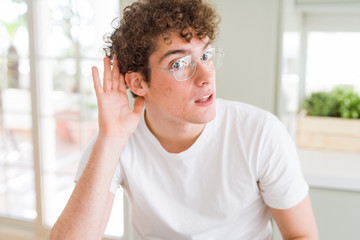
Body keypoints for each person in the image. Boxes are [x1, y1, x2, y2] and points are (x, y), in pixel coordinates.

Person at [49, 0, 318, 239]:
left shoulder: (260, 132)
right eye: (179, 64)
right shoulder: (116, 139)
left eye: (205, 55)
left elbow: (302, 234)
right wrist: (111, 139)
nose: (205, 76)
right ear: (138, 82)